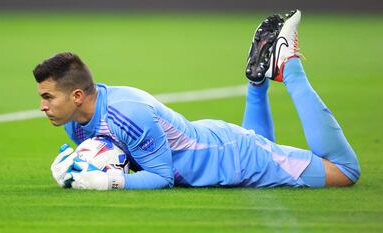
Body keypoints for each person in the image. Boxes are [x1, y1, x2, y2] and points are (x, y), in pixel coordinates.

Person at [34, 10, 360, 190]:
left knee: (345, 172)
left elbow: (161, 177)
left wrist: (108, 182)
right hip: (211, 144)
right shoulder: (76, 127)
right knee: (260, 142)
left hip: (232, 158)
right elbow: (120, 159)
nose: (43, 106)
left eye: (48, 97)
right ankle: (256, 81)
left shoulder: (127, 113)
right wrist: (77, 171)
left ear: (77, 96)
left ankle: (288, 66)